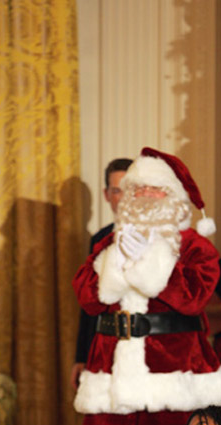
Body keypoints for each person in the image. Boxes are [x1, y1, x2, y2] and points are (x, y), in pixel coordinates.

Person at [72, 146, 221, 425]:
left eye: (153, 189)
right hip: (110, 375)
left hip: (174, 377)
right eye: (136, 189)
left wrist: (149, 258)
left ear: (172, 196)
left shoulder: (195, 246)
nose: (143, 196)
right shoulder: (108, 243)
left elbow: (193, 297)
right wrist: (116, 257)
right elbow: (88, 298)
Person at [70, 157, 133, 392]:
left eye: (129, 190)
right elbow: (89, 303)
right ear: (107, 195)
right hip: (106, 347)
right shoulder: (99, 240)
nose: (123, 198)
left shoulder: (159, 235)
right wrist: (81, 356)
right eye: (117, 191)